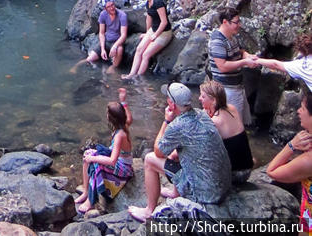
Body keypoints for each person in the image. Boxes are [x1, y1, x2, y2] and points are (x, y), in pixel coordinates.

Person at [128, 82, 231, 222]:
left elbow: (158, 151)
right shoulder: (202, 114)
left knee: (149, 159)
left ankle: (148, 211)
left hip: (206, 195)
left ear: (171, 103)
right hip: (223, 185)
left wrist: (166, 121)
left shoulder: (177, 126)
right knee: (177, 154)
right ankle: (175, 193)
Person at [76, 87, 134, 216]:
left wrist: (94, 159)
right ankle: (86, 192)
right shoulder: (124, 124)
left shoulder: (120, 135)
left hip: (124, 168)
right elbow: (129, 117)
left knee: (95, 163)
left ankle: (91, 200)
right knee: (88, 154)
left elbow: (112, 161)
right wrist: (123, 101)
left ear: (111, 118)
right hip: (118, 160)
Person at [267, 90, 312, 233]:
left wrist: (290, 146)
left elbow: (272, 172)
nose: (298, 111)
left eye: (303, 108)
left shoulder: (308, 160)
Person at [208, 6, 259, 125]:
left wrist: (246, 55)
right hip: (227, 90)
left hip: (237, 87)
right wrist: (245, 62)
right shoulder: (217, 41)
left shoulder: (231, 37)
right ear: (225, 22)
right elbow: (222, 66)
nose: (239, 25)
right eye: (236, 22)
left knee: (240, 122)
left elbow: (239, 51)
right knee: (233, 125)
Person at [199, 80, 253, 183]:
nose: (199, 98)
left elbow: (204, 149)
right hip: (248, 169)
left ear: (214, 100)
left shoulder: (215, 121)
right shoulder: (232, 108)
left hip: (234, 175)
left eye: (203, 96)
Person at [122, 0, 173, 80]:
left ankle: (138, 77)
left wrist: (155, 35)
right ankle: (131, 74)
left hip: (164, 32)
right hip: (153, 30)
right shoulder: (148, 3)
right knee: (139, 49)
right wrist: (147, 32)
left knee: (146, 54)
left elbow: (164, 22)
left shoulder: (158, 2)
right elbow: (149, 17)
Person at [72, 0, 128, 71]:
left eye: (112, 5)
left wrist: (115, 46)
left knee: (120, 49)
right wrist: (102, 49)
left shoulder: (122, 15)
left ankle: (113, 68)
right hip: (107, 40)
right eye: (109, 7)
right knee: (90, 59)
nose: (112, 8)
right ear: (105, 8)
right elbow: (101, 33)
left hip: (117, 42)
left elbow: (123, 35)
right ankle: (75, 67)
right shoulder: (103, 14)